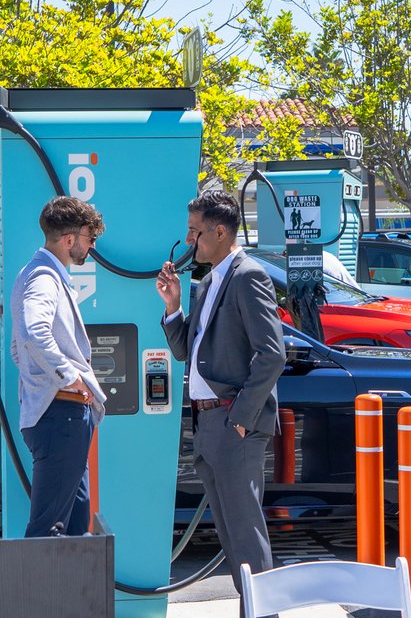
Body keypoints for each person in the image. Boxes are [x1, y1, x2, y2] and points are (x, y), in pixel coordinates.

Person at [157, 190, 286, 596]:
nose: (189, 241)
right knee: (231, 538)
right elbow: (187, 352)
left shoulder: (249, 276)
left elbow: (273, 354)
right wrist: (173, 306)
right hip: (208, 421)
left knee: (246, 535)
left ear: (219, 230)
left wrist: (241, 420)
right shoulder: (208, 280)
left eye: (195, 232)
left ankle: (264, 610)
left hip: (232, 423)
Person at [10, 196, 107, 537]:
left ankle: (74, 592)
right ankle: (32, 592)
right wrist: (70, 378)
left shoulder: (33, 274)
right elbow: (32, 333)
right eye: (89, 239)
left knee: (76, 529)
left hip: (61, 415)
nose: (91, 247)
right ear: (70, 240)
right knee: (47, 532)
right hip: (61, 416)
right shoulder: (44, 278)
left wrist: (40, 381)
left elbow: (16, 347)